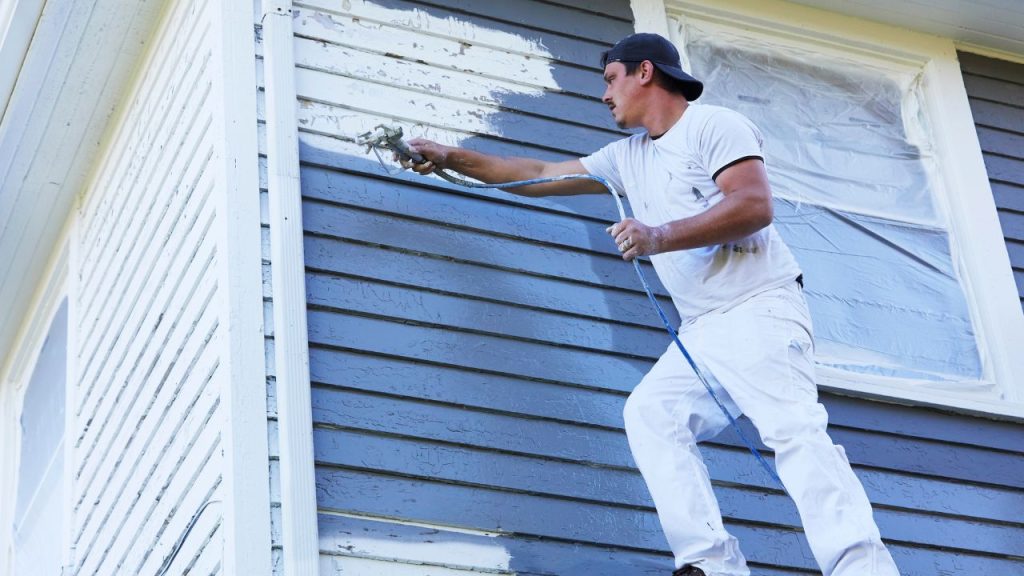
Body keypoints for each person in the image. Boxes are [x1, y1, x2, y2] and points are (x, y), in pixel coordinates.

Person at [400, 32, 900, 576]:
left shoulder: (713, 126)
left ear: (644, 72)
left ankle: (861, 566)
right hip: (704, 328)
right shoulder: (625, 157)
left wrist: (657, 236)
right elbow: (539, 174)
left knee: (792, 431)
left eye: (610, 80)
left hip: (759, 306)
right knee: (651, 414)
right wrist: (452, 157)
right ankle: (709, 565)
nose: (604, 95)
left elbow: (754, 206)